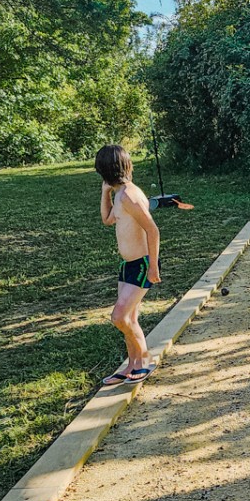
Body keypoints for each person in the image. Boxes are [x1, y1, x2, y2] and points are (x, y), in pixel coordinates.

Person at [95, 144, 162, 385]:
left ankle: (144, 361)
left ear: (105, 170)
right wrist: (105, 193)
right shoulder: (120, 194)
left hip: (142, 265)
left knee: (119, 317)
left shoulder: (129, 196)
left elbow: (153, 230)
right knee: (130, 318)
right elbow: (107, 219)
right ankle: (132, 365)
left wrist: (153, 266)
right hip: (128, 265)